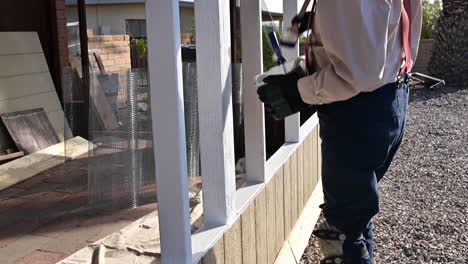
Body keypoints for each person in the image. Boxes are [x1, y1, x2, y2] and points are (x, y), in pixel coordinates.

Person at [257, 0, 422, 263]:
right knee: (354, 218)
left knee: (342, 236)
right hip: (386, 102)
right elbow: (373, 45)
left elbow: (358, 75)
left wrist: (298, 91)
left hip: (357, 114)